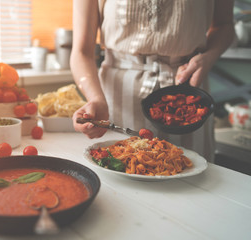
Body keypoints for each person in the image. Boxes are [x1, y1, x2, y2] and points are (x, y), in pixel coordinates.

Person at [70, 0, 235, 162]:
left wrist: (208, 57)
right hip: (118, 98)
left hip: (188, 95)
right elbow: (81, 51)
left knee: (191, 175)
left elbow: (224, 25)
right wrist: (96, 99)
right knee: (122, 170)